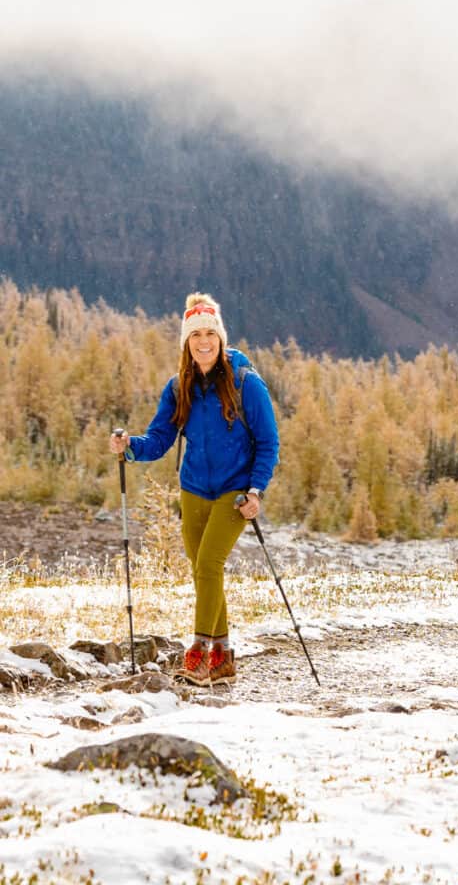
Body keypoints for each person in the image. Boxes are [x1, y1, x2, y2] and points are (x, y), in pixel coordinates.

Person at [109, 292, 280, 684]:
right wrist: (130, 446)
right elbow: (159, 438)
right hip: (193, 489)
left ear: (221, 339)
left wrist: (256, 491)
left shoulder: (245, 383)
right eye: (195, 334)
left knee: (208, 565)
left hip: (233, 492)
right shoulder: (178, 387)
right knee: (205, 572)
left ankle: (199, 654)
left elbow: (269, 442)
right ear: (186, 342)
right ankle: (223, 658)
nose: (204, 341)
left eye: (210, 334)